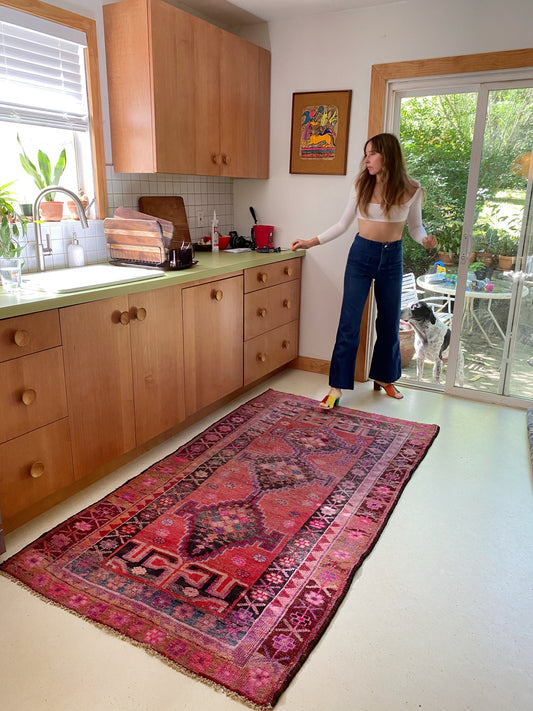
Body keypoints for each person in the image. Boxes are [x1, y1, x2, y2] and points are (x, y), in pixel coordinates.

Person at [290, 132, 438, 408]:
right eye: (366, 153)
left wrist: (425, 239)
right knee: (349, 321)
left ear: (388, 155)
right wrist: (312, 241)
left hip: (392, 257)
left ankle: (384, 378)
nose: (366, 159)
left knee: (389, 321)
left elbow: (416, 228)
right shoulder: (362, 185)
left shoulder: (412, 189)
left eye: (372, 154)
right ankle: (336, 387)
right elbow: (343, 224)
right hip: (361, 255)